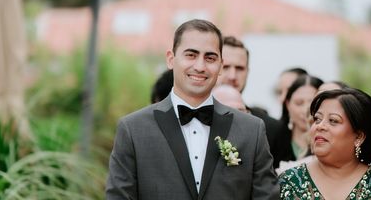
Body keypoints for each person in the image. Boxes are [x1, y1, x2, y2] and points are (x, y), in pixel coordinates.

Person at [106, 19, 278, 200]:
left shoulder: (252, 130)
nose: (200, 66)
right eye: (191, 55)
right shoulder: (133, 129)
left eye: (210, 58)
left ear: (220, 65)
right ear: (171, 59)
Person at [279, 88, 371, 200]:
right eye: (317, 119)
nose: (320, 126)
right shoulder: (288, 182)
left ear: (359, 136)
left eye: (333, 120)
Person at [217, 35, 291, 168]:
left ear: (248, 72)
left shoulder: (273, 129)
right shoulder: (191, 119)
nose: (232, 76)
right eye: (226, 67)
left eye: (240, 68)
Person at [280, 74, 323, 162]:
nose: (305, 110)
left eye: (313, 103)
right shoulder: (274, 139)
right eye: (299, 103)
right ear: (288, 104)